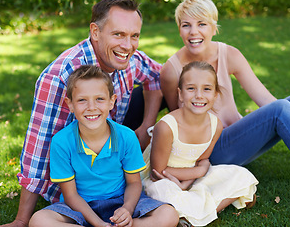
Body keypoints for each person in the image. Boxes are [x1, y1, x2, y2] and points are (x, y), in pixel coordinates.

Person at [0, 0, 163, 227]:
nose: (128, 45)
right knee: (41, 222)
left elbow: (159, 76)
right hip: (79, 175)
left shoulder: (129, 58)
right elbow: (39, 145)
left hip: (115, 141)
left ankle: (174, 168)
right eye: (118, 34)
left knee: (175, 84)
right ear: (95, 32)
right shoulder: (59, 76)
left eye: (134, 36)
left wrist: (147, 126)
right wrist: (21, 220)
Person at [28, 65, 178, 227]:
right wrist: (98, 223)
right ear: (70, 104)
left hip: (121, 199)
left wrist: (127, 209)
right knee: (39, 221)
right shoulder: (61, 141)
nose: (91, 107)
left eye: (99, 99)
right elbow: (70, 195)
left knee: (168, 215)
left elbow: (134, 183)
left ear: (111, 101)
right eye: (82, 100)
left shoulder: (126, 136)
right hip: (80, 206)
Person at [160, 0, 290, 166]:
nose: (193, 32)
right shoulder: (171, 71)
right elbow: (177, 122)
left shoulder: (229, 55)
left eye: (202, 24)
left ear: (213, 27)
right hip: (211, 151)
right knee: (281, 109)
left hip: (240, 139)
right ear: (179, 29)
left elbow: (265, 100)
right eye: (186, 25)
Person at [142, 61, 258, 226]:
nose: (199, 95)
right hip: (161, 181)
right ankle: (198, 209)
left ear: (215, 94)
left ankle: (188, 214)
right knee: (164, 193)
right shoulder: (167, 127)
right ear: (180, 94)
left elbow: (203, 159)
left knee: (242, 175)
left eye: (207, 89)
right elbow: (157, 172)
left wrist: (189, 180)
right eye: (191, 88)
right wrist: (198, 172)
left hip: (190, 178)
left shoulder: (215, 124)